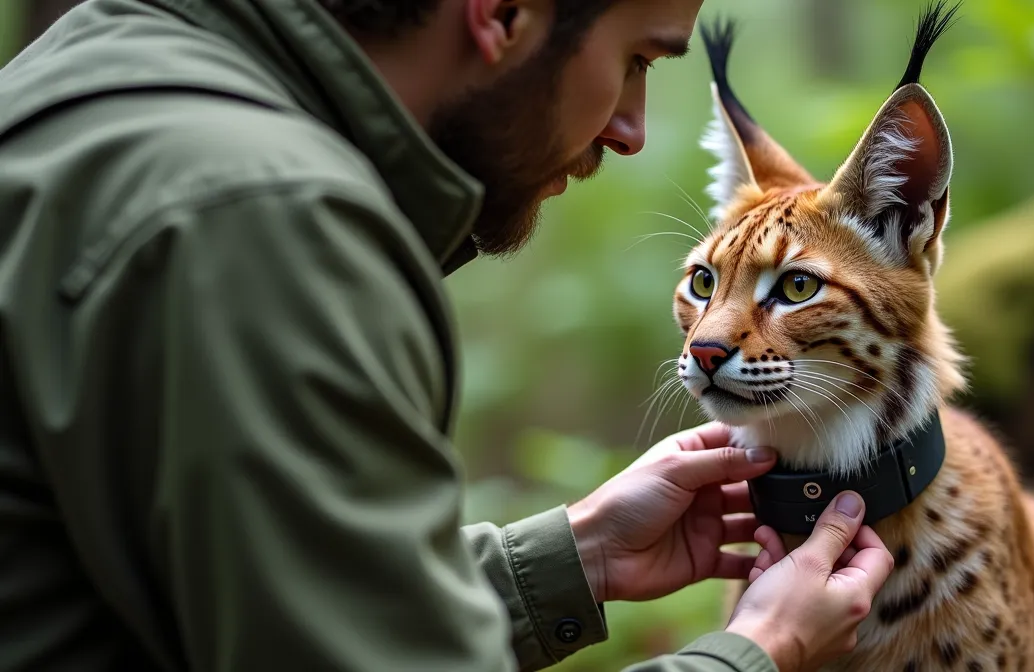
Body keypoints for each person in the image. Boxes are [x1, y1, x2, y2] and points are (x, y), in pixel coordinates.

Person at [0, 0, 896, 670]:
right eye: (634, 60)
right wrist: (755, 650)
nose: (631, 130)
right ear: (502, 12)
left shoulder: (113, 69)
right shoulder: (266, 220)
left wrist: (569, 556)